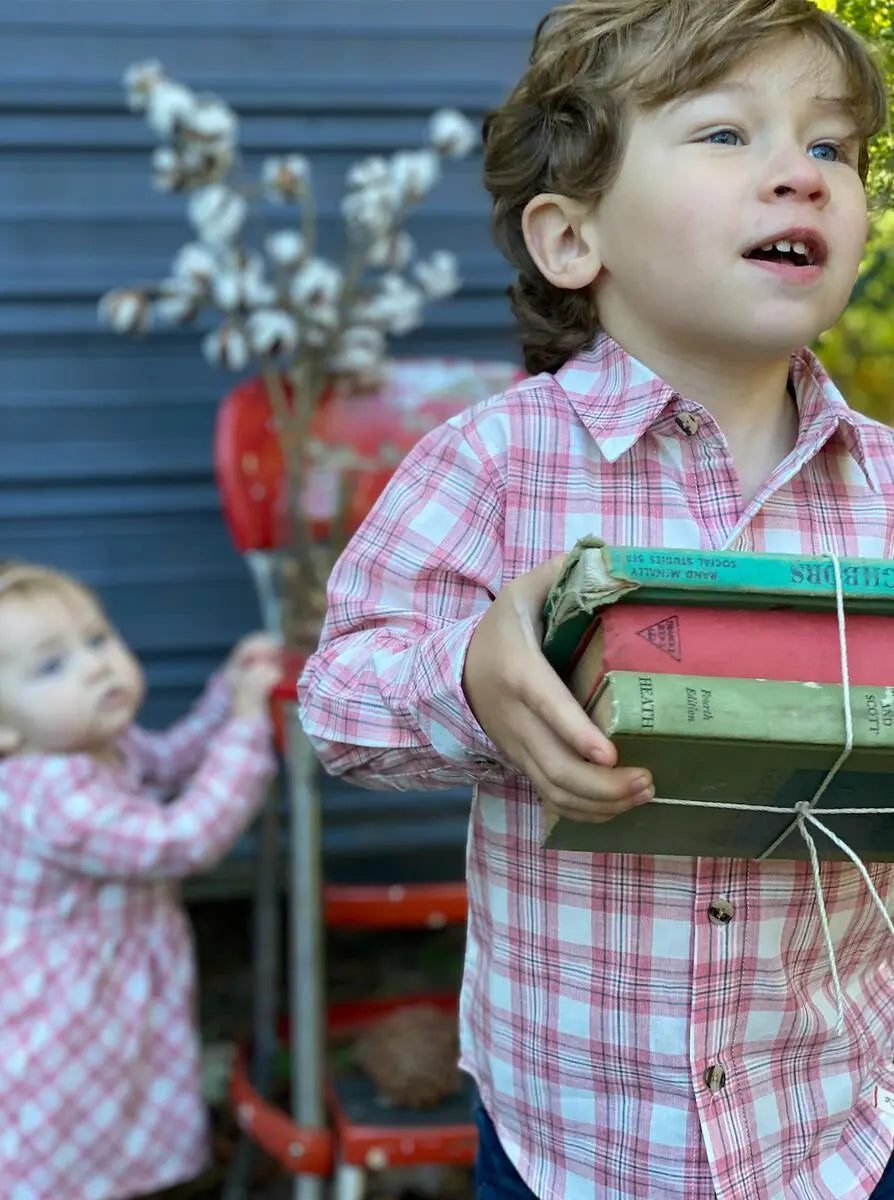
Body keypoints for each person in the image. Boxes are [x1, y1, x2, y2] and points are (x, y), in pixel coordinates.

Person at [299, 2, 894, 1196]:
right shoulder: (497, 461)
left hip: (835, 1122)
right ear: (573, 239)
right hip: (571, 1139)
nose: (801, 176)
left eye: (833, 148)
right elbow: (338, 698)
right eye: (727, 134)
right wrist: (469, 673)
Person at [0, 560, 280, 1199]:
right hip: (59, 1014)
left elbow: (169, 759)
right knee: (55, 1150)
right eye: (52, 666)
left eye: (96, 640)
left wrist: (224, 693)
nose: (95, 665)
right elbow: (182, 840)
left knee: (100, 1134)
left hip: (100, 995)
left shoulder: (96, 747)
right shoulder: (49, 789)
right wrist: (243, 726)